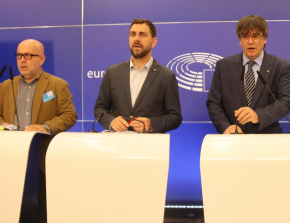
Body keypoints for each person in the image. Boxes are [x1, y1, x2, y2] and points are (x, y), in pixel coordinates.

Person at [0, 39, 77, 223]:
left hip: (43, 158)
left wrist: (46, 127)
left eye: (28, 55)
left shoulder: (57, 85)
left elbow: (69, 115)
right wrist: (5, 126)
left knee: (42, 211)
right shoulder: (5, 85)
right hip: (11, 159)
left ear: (41, 59)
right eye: (19, 55)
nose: (22, 60)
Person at [206, 15, 290, 134]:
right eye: (245, 36)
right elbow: (214, 103)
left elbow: (285, 102)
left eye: (256, 36)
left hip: (268, 139)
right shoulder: (224, 66)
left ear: (265, 39)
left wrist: (258, 115)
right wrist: (225, 127)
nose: (250, 41)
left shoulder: (281, 66)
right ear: (239, 40)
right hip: (234, 138)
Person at [94, 19, 182, 133]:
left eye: (142, 34)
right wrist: (111, 121)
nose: (136, 39)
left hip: (150, 146)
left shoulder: (166, 76)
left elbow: (175, 117)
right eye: (132, 34)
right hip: (117, 144)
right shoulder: (113, 72)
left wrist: (151, 124)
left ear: (153, 42)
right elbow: (99, 109)